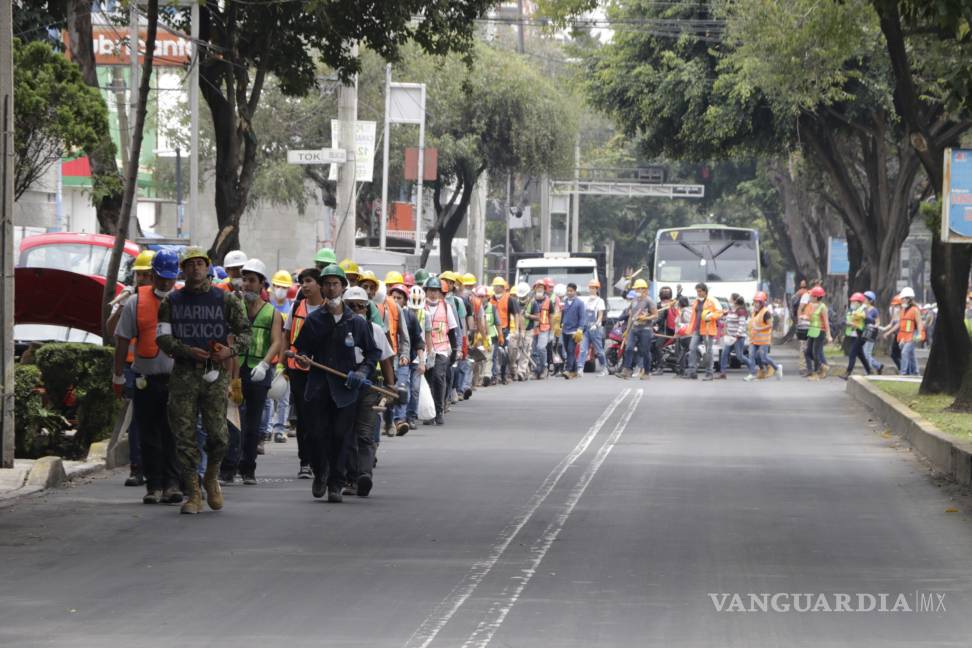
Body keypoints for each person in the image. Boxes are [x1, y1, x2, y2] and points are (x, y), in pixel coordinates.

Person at [156, 247, 251, 515]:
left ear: (208, 267)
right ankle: (194, 491)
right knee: (184, 435)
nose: (196, 268)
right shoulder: (171, 302)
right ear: (182, 270)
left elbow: (245, 333)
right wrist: (185, 350)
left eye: (200, 263)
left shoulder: (226, 300)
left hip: (214, 372)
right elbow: (162, 338)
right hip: (184, 372)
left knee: (219, 435)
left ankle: (211, 476)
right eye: (190, 264)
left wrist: (229, 351)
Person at [292, 263, 380, 503]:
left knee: (342, 437)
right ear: (322, 287)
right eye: (327, 284)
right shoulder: (314, 320)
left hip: (346, 389)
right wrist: (303, 360)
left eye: (335, 284)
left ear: (343, 287)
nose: (331, 288)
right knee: (317, 435)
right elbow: (301, 350)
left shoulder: (356, 322)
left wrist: (362, 372)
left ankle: (336, 484)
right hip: (319, 387)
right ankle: (321, 473)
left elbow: (373, 353)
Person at [112, 250, 182, 504]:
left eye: (170, 278)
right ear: (152, 275)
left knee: (173, 433)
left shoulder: (183, 300)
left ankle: (173, 485)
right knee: (150, 434)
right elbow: (122, 341)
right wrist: (118, 375)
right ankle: (153, 486)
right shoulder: (135, 302)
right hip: (145, 378)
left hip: (176, 380)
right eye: (161, 277)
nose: (165, 283)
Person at [221, 258, 283, 485]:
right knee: (232, 420)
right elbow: (228, 338)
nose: (246, 284)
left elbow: (277, 342)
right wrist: (232, 375)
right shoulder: (234, 309)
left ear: (262, 284)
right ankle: (228, 468)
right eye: (244, 280)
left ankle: (248, 468)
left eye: (252, 280)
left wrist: (266, 364)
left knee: (253, 423)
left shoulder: (272, 313)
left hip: (258, 372)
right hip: (234, 371)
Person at [106, 248, 156, 487]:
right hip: (132, 367)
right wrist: (121, 307)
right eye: (139, 275)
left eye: (146, 275)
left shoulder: (164, 299)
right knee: (137, 418)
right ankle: (137, 468)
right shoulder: (129, 300)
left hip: (158, 366)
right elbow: (110, 331)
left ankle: (159, 468)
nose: (142, 280)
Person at [343, 287, 396, 498]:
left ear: (367, 308)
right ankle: (350, 478)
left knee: (364, 433)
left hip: (368, 386)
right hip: (342, 385)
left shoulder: (375, 330)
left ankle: (364, 475)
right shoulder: (337, 329)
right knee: (345, 433)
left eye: (360, 306)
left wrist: (391, 387)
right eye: (351, 306)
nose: (356, 309)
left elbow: (385, 360)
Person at [285, 268, 324, 479]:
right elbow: (286, 334)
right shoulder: (296, 306)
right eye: (302, 282)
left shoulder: (329, 309)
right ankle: (305, 461)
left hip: (321, 371)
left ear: (319, 284)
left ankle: (321, 459)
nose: (305, 285)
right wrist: (285, 363)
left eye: (309, 281)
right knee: (303, 417)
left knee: (320, 416)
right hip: (297, 370)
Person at [423, 277, 458, 425]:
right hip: (425, 349)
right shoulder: (421, 306)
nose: (433, 294)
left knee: (439, 377)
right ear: (426, 291)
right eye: (431, 290)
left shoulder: (446, 307)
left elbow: (451, 330)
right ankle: (430, 413)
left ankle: (439, 410)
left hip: (442, 349)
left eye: (436, 291)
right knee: (429, 380)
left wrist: (455, 350)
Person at [388, 283, 421, 435]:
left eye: (399, 298)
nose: (395, 300)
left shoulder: (409, 316)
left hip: (402, 358)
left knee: (402, 388)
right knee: (388, 389)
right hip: (386, 359)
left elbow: (411, 339)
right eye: (393, 297)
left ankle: (400, 420)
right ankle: (389, 421)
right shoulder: (384, 312)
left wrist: (406, 355)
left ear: (405, 301)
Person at [616, 279, 656, 379]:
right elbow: (630, 316)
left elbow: (655, 315)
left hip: (645, 329)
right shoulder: (634, 301)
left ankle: (646, 372)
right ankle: (626, 371)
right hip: (634, 329)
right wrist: (627, 330)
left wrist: (645, 318)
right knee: (629, 348)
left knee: (644, 351)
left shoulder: (649, 301)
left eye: (639, 289)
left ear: (645, 290)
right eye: (636, 289)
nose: (637, 291)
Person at [683, 282, 723, 380]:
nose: (698, 293)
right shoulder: (696, 301)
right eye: (697, 291)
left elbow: (720, 312)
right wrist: (690, 328)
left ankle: (709, 373)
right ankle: (692, 371)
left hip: (708, 330)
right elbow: (693, 316)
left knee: (708, 351)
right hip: (697, 329)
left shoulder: (712, 300)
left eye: (700, 291)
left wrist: (711, 316)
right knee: (692, 348)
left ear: (705, 291)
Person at [405, 286, 429, 429]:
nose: (414, 311)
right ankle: (400, 417)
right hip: (404, 356)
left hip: (417, 356)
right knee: (404, 388)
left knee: (414, 388)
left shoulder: (425, 315)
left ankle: (411, 416)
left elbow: (426, 336)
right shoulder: (403, 314)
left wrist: (425, 357)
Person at [490, 277, 517, 385]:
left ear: (502, 287)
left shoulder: (509, 299)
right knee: (493, 354)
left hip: (505, 329)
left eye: (498, 286)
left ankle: (503, 375)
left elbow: (515, 314)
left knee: (504, 353)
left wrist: (516, 330)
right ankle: (494, 376)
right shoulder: (490, 299)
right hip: (492, 330)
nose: (496, 288)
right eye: (495, 286)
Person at [748, 292, 781, 380]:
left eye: (758, 302)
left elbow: (770, 325)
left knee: (763, 357)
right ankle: (757, 372)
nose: (756, 303)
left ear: (762, 303)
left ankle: (776, 368)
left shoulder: (766, 313)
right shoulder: (754, 312)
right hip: (754, 339)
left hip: (763, 340)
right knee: (752, 355)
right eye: (755, 301)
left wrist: (759, 329)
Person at [719, 295, 753, 380]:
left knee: (739, 356)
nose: (729, 300)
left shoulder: (741, 311)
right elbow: (726, 319)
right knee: (724, 354)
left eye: (730, 299)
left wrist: (737, 335)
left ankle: (752, 369)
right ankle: (723, 373)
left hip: (739, 337)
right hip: (730, 337)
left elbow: (742, 324)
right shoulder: (731, 311)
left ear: (735, 301)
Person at [579, 280, 608, 376]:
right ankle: (580, 369)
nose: (591, 290)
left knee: (599, 351)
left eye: (593, 288)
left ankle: (604, 368)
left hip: (595, 329)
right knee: (583, 349)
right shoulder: (585, 300)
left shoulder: (600, 301)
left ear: (597, 289)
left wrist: (596, 324)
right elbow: (583, 314)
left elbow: (600, 315)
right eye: (590, 288)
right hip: (586, 328)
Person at [526, 279, 554, 379]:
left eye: (541, 287)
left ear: (544, 289)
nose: (539, 289)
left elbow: (551, 316)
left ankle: (543, 368)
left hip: (544, 328)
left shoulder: (548, 301)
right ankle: (535, 370)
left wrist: (552, 332)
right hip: (533, 328)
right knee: (533, 350)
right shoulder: (530, 301)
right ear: (534, 289)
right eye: (538, 287)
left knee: (541, 348)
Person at [893, 287, 924, 376]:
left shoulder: (915, 310)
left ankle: (903, 373)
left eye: (904, 298)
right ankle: (915, 372)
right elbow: (901, 324)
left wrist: (920, 334)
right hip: (904, 336)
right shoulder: (902, 310)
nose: (902, 300)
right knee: (911, 354)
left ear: (909, 299)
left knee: (904, 352)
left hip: (913, 335)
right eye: (902, 299)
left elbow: (919, 323)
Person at [803, 286, 831, 380]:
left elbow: (826, 321)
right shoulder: (811, 306)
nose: (810, 297)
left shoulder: (823, 307)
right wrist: (806, 318)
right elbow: (811, 318)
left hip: (820, 331)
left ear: (816, 297)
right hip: (812, 331)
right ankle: (822, 367)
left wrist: (828, 335)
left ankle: (816, 373)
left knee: (816, 353)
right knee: (807, 352)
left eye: (811, 296)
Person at [843, 292, 873, 379]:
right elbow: (847, 319)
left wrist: (863, 316)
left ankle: (848, 373)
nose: (852, 303)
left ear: (859, 302)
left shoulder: (864, 309)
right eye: (851, 301)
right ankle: (870, 371)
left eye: (854, 302)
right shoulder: (852, 310)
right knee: (860, 354)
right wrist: (848, 323)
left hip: (862, 334)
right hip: (855, 334)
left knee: (852, 353)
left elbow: (871, 320)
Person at [861, 291, 884, 374]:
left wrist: (874, 326)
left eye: (865, 298)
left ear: (870, 301)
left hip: (871, 332)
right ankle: (878, 366)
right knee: (863, 352)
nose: (863, 299)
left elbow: (878, 322)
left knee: (867, 352)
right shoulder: (862, 308)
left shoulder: (874, 310)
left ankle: (868, 371)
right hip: (863, 332)